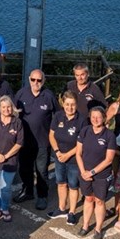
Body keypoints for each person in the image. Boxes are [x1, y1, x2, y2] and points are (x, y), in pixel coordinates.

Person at [14, 69, 56, 210]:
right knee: (24, 169)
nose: (36, 83)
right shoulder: (21, 94)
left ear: (43, 81)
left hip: (43, 142)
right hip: (24, 141)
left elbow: (58, 116)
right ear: (29, 79)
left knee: (42, 171)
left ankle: (42, 196)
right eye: (33, 80)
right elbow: (13, 113)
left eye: (39, 80)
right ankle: (28, 191)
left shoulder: (49, 96)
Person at [76, 106, 118, 239]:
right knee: (88, 199)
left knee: (99, 201)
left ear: (104, 118)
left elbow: (109, 159)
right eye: (93, 117)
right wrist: (83, 172)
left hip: (101, 175)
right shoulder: (85, 131)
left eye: (98, 117)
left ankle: (98, 228)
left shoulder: (109, 135)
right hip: (85, 173)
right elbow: (78, 153)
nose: (95, 119)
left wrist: (91, 172)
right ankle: (85, 225)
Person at [48, 91, 86, 225]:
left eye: (73, 105)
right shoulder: (58, 116)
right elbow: (51, 135)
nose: (70, 107)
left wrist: (67, 155)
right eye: (67, 104)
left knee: (73, 186)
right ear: (62, 104)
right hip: (59, 157)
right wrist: (57, 152)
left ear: (77, 105)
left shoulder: (82, 120)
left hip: (74, 160)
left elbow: (82, 143)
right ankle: (62, 208)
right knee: (61, 183)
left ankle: (72, 212)